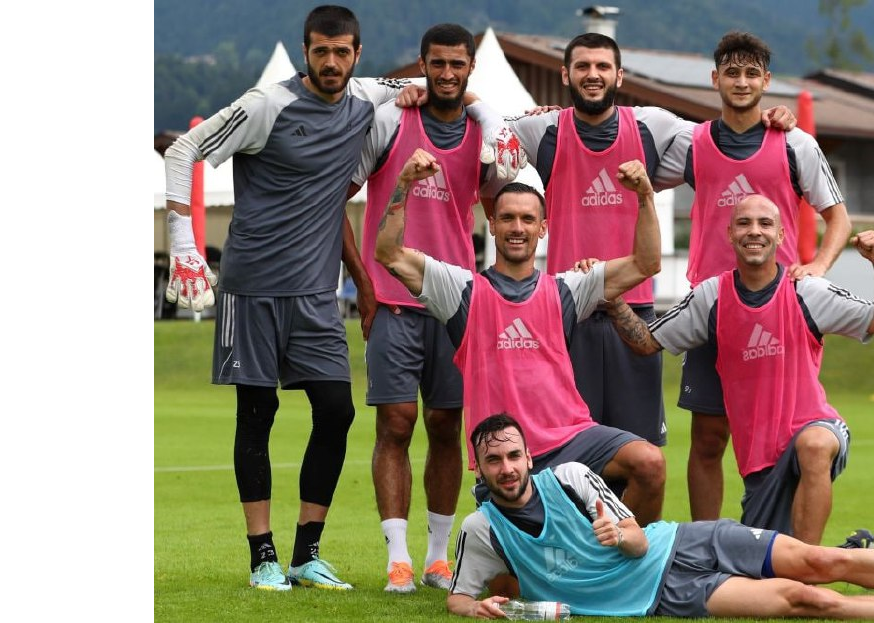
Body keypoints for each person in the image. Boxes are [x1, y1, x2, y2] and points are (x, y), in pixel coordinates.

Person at [162, 5, 422, 591]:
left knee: (337, 411)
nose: (331, 62)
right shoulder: (265, 105)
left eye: (341, 52)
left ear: (357, 54)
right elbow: (182, 151)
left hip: (314, 295)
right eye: (320, 51)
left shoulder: (367, 97)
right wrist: (183, 245)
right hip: (251, 289)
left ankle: (307, 554)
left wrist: (503, 120)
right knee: (256, 415)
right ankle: (263, 557)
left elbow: (436, 81)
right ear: (305, 52)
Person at [471, 32, 796, 448]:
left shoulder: (652, 126)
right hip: (566, 313)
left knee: (641, 453)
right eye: (583, 66)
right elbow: (485, 140)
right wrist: (469, 101)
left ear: (619, 76)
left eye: (602, 67)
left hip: (635, 313)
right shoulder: (542, 129)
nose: (593, 74)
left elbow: (726, 138)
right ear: (566, 75)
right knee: (565, 447)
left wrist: (769, 116)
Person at [374, 151, 666, 524]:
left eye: (528, 219)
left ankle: (624, 558)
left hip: (571, 439)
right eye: (508, 218)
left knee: (650, 462)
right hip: (505, 454)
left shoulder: (567, 289)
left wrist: (645, 195)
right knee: (518, 564)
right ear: (492, 225)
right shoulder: (461, 291)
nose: (517, 227)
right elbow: (388, 253)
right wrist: (404, 182)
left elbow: (646, 262)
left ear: (542, 228)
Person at [448, 414, 874, 620]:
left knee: (817, 560)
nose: (506, 468)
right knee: (803, 598)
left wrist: (618, 534)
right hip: (662, 597)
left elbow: (637, 541)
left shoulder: (570, 477)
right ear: (480, 466)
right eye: (494, 460)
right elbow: (458, 598)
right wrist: (478, 609)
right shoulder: (482, 528)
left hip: (684, 541)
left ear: (529, 457)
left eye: (513, 456)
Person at [607, 195, 874, 546]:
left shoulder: (805, 290)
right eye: (744, 223)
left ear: (780, 235)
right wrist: (611, 296)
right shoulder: (712, 296)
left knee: (814, 446)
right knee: (760, 568)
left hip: (817, 428)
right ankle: (851, 552)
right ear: (730, 233)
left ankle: (809, 567)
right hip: (760, 466)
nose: (754, 231)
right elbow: (646, 342)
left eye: (765, 223)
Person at [343, 24, 521, 594]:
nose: (446, 73)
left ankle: (438, 559)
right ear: (422, 65)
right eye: (437, 64)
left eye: (456, 64)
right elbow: (334, 198)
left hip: (455, 303)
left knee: (447, 426)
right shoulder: (390, 121)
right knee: (395, 423)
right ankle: (397, 558)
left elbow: (503, 209)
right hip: (392, 300)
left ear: (470, 68)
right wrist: (362, 284)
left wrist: (498, 289)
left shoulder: (484, 133)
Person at [680, 32, 857, 539]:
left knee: (787, 439)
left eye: (751, 73)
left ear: (766, 81)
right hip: (712, 310)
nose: (741, 82)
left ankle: (795, 551)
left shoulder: (796, 144)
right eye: (732, 73)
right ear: (715, 79)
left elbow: (838, 218)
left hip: (778, 313)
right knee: (708, 439)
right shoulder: (691, 142)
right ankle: (707, 550)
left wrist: (817, 266)